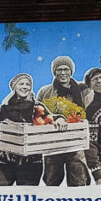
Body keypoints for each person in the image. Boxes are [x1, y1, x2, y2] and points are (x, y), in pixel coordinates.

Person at [37, 56, 91, 186]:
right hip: (53, 143)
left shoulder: (83, 90)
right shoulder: (45, 92)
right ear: (54, 72)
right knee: (51, 181)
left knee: (79, 180)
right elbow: (38, 113)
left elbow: (89, 111)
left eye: (66, 69)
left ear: (71, 71)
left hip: (76, 142)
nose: (62, 73)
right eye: (59, 69)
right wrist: (55, 118)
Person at [0, 73, 43, 186]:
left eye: (28, 84)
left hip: (31, 163)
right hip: (5, 162)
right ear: (14, 86)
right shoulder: (3, 109)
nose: (25, 87)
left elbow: (52, 119)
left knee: (26, 200)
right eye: (21, 83)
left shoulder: (37, 108)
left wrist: (59, 119)